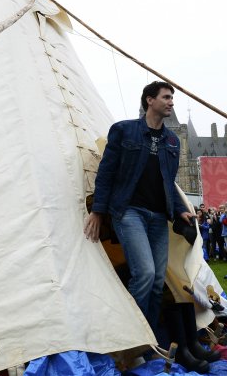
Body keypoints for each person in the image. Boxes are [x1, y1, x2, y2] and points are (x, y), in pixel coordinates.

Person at [85, 81, 193, 334]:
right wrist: (98, 211)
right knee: (144, 273)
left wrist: (180, 209)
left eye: (171, 98)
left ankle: (151, 337)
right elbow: (107, 172)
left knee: (157, 281)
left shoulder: (173, 141)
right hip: (129, 212)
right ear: (149, 100)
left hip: (158, 217)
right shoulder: (124, 131)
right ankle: (133, 336)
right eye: (166, 97)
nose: (171, 102)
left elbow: (169, 182)